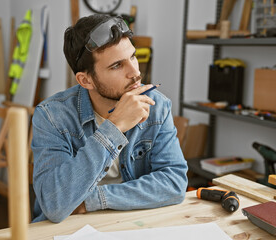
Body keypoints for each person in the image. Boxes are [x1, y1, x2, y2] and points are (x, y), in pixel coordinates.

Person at [31, 14, 188, 223]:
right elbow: (55, 204)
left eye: (133, 56)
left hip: (130, 223)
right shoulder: (52, 116)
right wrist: (114, 128)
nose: (135, 72)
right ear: (85, 80)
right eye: (117, 66)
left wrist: (94, 200)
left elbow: (174, 183)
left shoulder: (157, 106)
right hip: (68, 229)